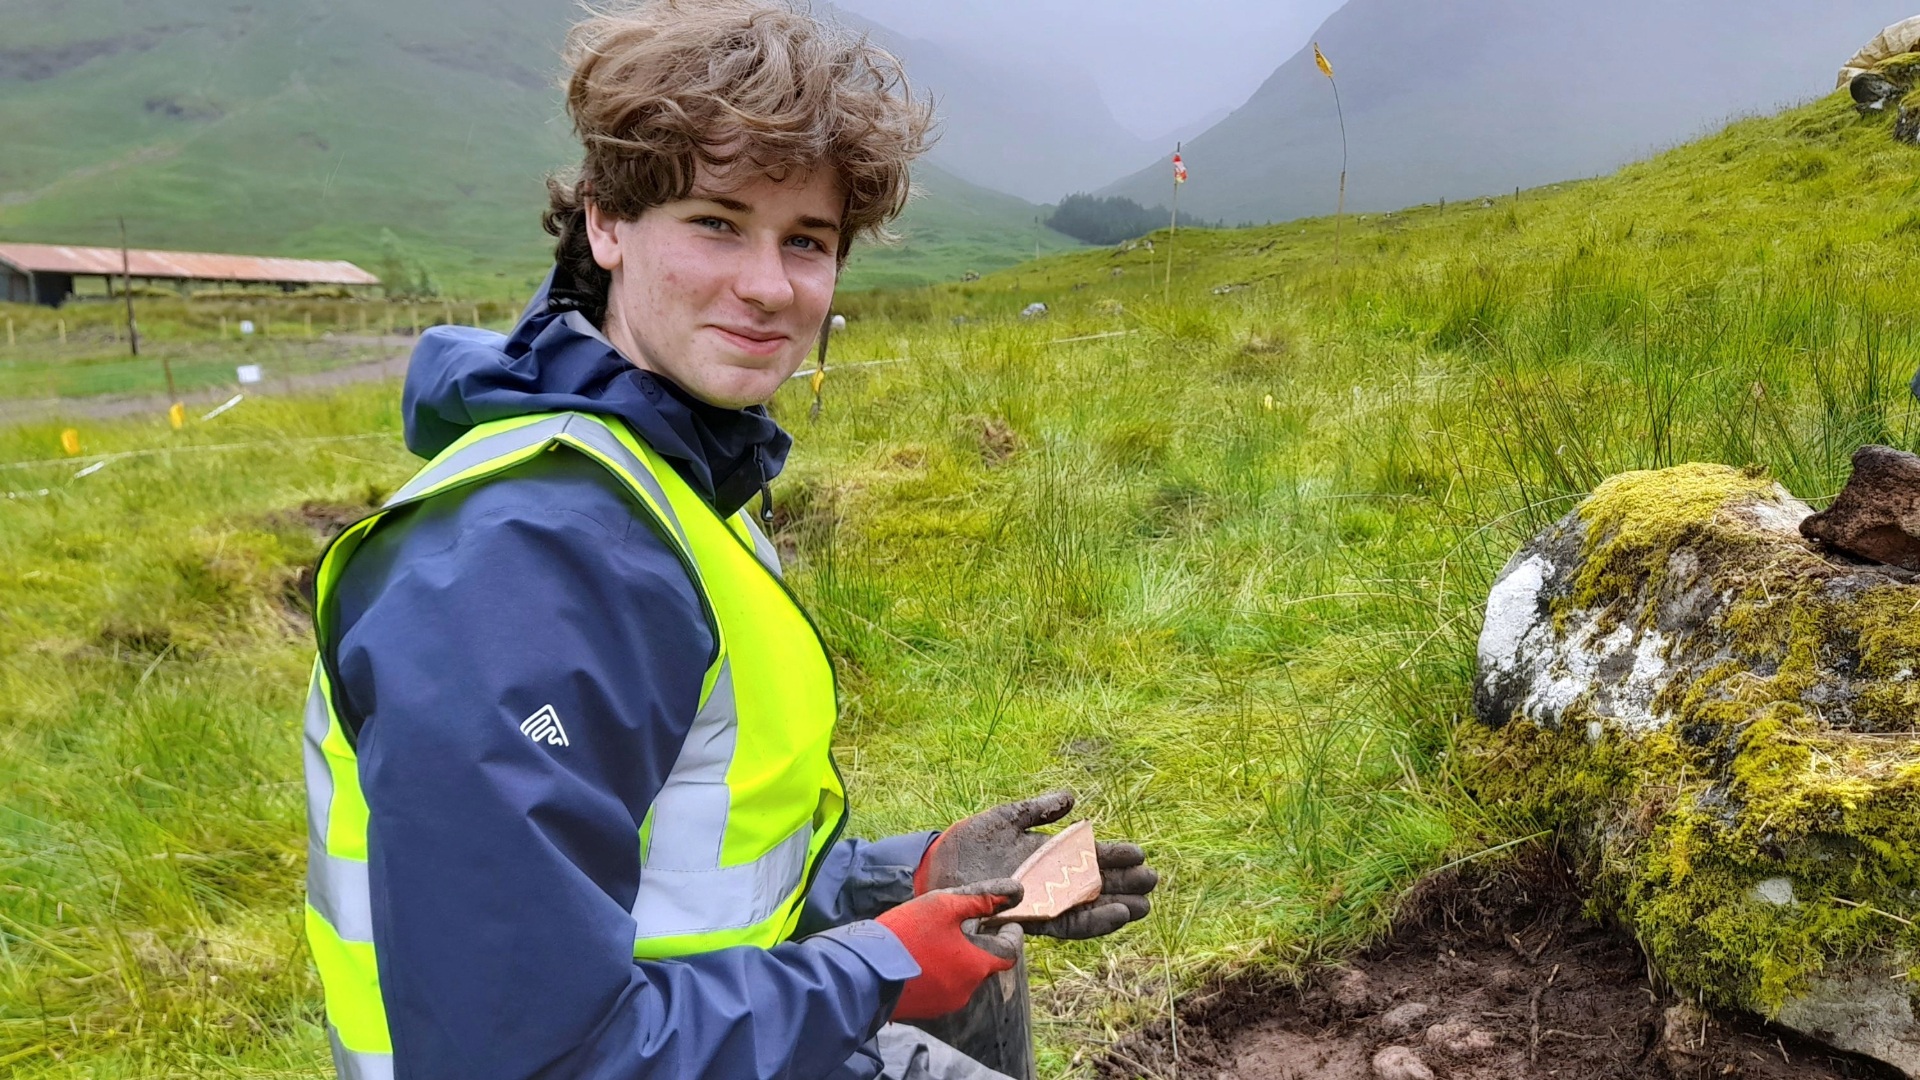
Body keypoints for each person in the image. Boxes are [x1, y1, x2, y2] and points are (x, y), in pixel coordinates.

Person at [298, 2, 1158, 1079]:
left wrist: (912, 877)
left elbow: (695, 882)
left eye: (807, 241)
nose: (768, 286)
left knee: (981, 971)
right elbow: (522, 1056)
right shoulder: (530, 560)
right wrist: (878, 970)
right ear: (607, 225)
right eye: (717, 221)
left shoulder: (674, 481)